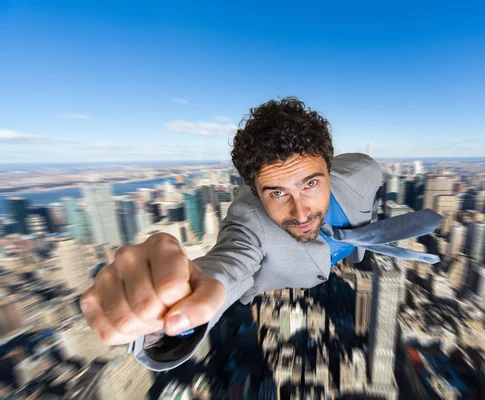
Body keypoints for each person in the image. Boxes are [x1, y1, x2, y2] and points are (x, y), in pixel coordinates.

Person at [80, 97, 441, 370]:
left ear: (330, 170)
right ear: (254, 191)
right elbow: (227, 266)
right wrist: (165, 317)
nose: (300, 213)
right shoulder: (249, 222)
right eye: (277, 193)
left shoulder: (364, 171)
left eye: (311, 183)